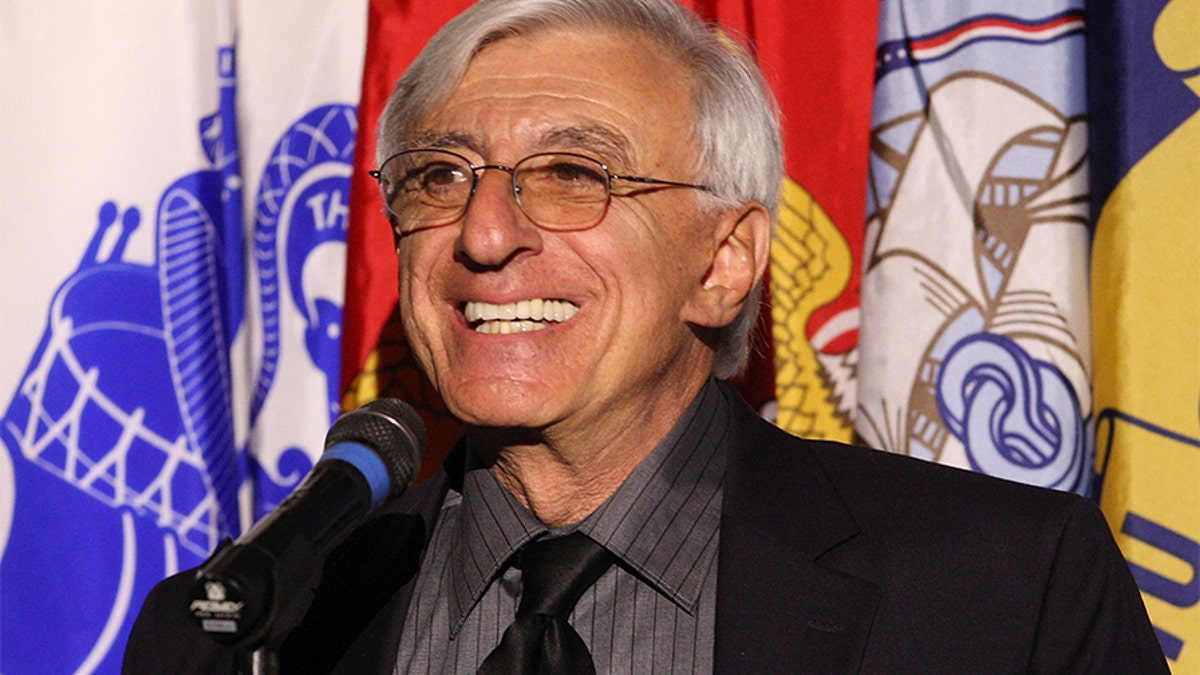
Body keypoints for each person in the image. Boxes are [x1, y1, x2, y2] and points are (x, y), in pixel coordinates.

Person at [124, 0, 1168, 672]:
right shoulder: (258, 619)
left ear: (723, 263)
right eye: (440, 177)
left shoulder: (1005, 593)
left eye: (575, 175)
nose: (484, 235)